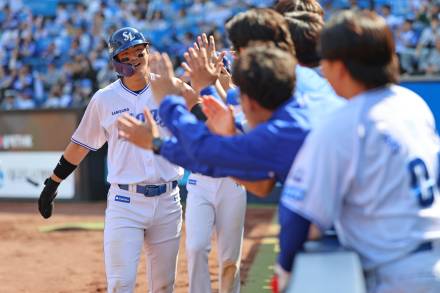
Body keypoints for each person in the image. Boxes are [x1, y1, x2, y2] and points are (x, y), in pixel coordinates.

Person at [280, 10, 440, 293]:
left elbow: (299, 217)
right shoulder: (412, 104)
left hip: (396, 273)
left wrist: (285, 269)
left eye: (325, 60)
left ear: (340, 66)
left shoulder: (343, 122)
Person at [38, 27, 184, 293]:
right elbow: (80, 145)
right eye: (126, 55)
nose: (135, 59)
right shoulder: (104, 99)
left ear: (148, 52)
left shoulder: (170, 88)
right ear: (116, 61)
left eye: (139, 51)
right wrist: (53, 182)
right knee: (120, 284)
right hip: (125, 202)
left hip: (168, 201)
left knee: (164, 286)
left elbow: (200, 118)